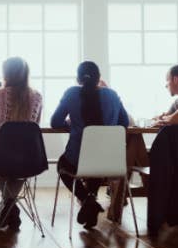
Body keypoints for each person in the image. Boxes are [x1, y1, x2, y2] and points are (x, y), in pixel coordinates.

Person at [51, 61, 129, 229]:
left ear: (78, 78)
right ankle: (91, 199)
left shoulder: (71, 93)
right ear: (98, 78)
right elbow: (124, 122)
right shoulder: (112, 94)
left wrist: (72, 126)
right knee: (96, 161)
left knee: (62, 165)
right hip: (109, 160)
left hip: (78, 159)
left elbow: (55, 121)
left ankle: (87, 199)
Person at [0, 57, 42, 229]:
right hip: (29, 154)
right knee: (19, 169)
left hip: (1, 153)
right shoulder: (37, 96)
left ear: (5, 73)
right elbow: (36, 125)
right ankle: (11, 205)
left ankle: (9, 204)